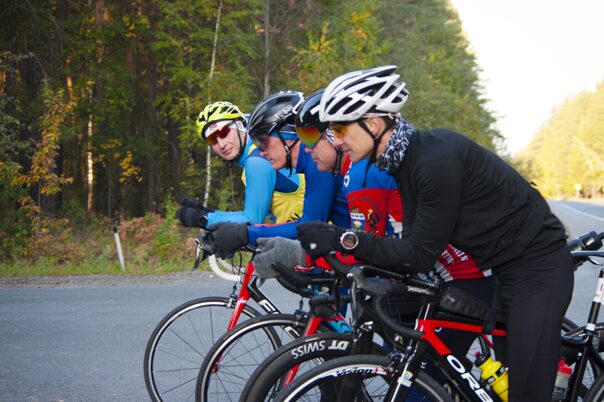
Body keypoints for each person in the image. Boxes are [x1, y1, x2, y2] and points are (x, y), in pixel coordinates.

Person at [296, 65, 572, 401]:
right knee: (503, 386)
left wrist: (345, 240)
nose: (335, 139)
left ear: (372, 123)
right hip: (505, 269)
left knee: (527, 393)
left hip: (538, 268)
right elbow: (413, 244)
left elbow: (419, 253)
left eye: (339, 128)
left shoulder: (431, 160)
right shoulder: (405, 160)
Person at [206, 91, 350, 258]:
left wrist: (247, 234)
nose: (261, 152)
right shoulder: (311, 162)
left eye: (263, 142)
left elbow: (310, 225)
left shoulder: (317, 164)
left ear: (287, 135)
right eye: (257, 145)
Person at [177, 101, 305, 229]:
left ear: (239, 125)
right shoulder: (261, 148)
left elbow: (252, 221)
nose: (222, 144)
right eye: (213, 140)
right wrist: (208, 212)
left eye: (223, 132)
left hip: (307, 239)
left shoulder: (257, 161)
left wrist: (203, 219)